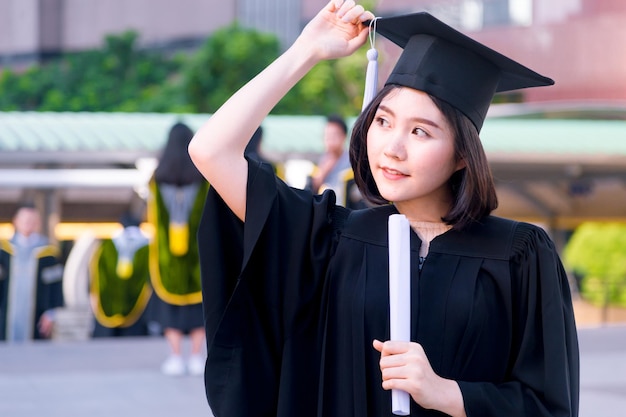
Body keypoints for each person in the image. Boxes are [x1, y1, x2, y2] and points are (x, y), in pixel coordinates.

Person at [189, 2, 579, 416]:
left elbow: (548, 405)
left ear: (462, 155)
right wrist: (308, 50)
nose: (392, 148)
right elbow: (211, 151)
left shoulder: (519, 255)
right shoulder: (331, 239)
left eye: (419, 131)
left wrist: (448, 393)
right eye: (383, 121)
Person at [148, 122, 208, 376]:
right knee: (198, 307)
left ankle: (175, 357)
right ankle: (196, 356)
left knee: (169, 307)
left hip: (167, 257)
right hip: (198, 255)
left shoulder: (156, 179)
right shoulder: (204, 177)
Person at [0, 203, 64, 342]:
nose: (28, 223)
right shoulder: (4, 252)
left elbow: (55, 286)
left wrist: (51, 313)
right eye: (24, 219)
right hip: (5, 316)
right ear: (15, 221)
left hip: (37, 315)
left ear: (38, 223)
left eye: (32, 220)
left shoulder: (48, 253)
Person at [89, 213, 152, 338]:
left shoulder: (105, 247)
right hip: (138, 312)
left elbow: (96, 275)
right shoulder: (148, 248)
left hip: (107, 304)